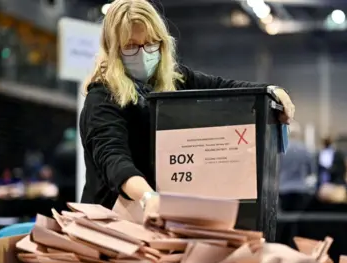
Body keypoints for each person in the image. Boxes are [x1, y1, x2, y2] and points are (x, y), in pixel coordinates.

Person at [79, 0, 295, 215]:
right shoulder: (101, 98)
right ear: (113, 50)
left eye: (151, 43)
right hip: (112, 222)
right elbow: (114, 159)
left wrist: (272, 90)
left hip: (161, 216)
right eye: (131, 46)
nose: (144, 54)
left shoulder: (174, 79)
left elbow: (223, 87)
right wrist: (147, 196)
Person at [279, 123, 315, 211]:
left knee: (285, 218)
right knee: (297, 219)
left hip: (284, 188)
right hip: (301, 189)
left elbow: (277, 168)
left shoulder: (282, 149)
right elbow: (311, 170)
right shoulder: (306, 149)